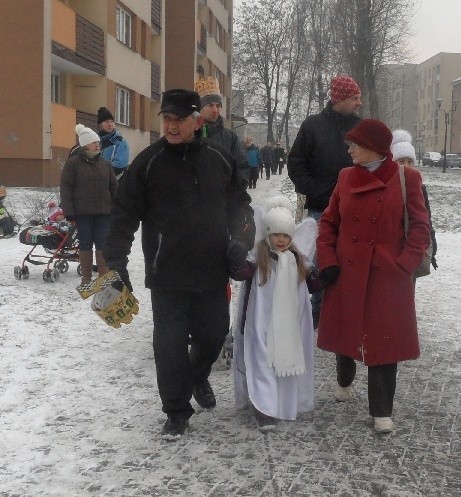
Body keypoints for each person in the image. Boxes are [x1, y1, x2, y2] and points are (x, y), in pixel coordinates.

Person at [102, 89, 255, 441]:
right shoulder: (149, 162)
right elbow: (123, 216)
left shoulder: (219, 158)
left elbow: (240, 206)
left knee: (213, 335)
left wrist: (240, 240)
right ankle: (176, 410)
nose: (170, 126)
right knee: (169, 344)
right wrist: (116, 262)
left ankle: (197, 375)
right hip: (167, 272)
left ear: (196, 121)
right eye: (165, 119)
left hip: (212, 269)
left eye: (178, 119)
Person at [315, 119, 430, 434]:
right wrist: (327, 260)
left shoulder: (407, 178)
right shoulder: (345, 177)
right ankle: (344, 378)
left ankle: (382, 411)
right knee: (345, 331)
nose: (349, 149)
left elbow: (421, 226)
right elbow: (328, 223)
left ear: (374, 148)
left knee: (384, 342)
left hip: (386, 275)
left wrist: (404, 263)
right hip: (346, 269)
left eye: (355, 144)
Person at [231, 195, 315, 432]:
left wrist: (325, 277)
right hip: (260, 321)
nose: (281, 239)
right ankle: (264, 408)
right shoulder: (258, 259)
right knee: (262, 358)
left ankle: (283, 400)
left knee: (282, 359)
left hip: (288, 323)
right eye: (276, 234)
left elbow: (311, 282)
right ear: (267, 234)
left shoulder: (297, 260)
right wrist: (234, 260)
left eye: (286, 235)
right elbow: (241, 273)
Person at [288, 75, 362, 329]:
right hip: (321, 208)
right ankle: (319, 310)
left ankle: (348, 310)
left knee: (351, 259)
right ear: (339, 98)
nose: (358, 103)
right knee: (320, 260)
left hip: (355, 210)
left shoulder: (361, 128)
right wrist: (314, 190)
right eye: (354, 97)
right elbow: (296, 163)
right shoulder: (312, 126)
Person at [60, 124, 117, 285]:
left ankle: (103, 277)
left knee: (102, 243)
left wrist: (117, 207)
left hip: (104, 212)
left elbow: (114, 187)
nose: (97, 145)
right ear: (84, 144)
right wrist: (69, 211)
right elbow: (66, 188)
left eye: (98, 142)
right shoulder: (73, 163)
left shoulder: (105, 164)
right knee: (85, 243)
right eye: (93, 142)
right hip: (82, 212)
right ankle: (86, 278)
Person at [391, 129, 437, 271]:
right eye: (401, 161)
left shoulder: (419, 187)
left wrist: (431, 242)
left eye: (410, 161)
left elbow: (426, 216)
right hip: (392, 244)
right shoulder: (389, 186)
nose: (406, 165)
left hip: (412, 245)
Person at [194, 76, 250, 183]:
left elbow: (242, 168)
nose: (215, 110)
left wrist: (231, 194)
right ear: (199, 107)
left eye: (218, 105)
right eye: (210, 105)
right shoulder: (188, 135)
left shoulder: (230, 138)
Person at [97, 107, 130, 180]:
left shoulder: (120, 142)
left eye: (112, 121)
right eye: (107, 121)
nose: (110, 124)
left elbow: (119, 165)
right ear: (100, 125)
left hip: (116, 185)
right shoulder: (96, 143)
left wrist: (99, 174)